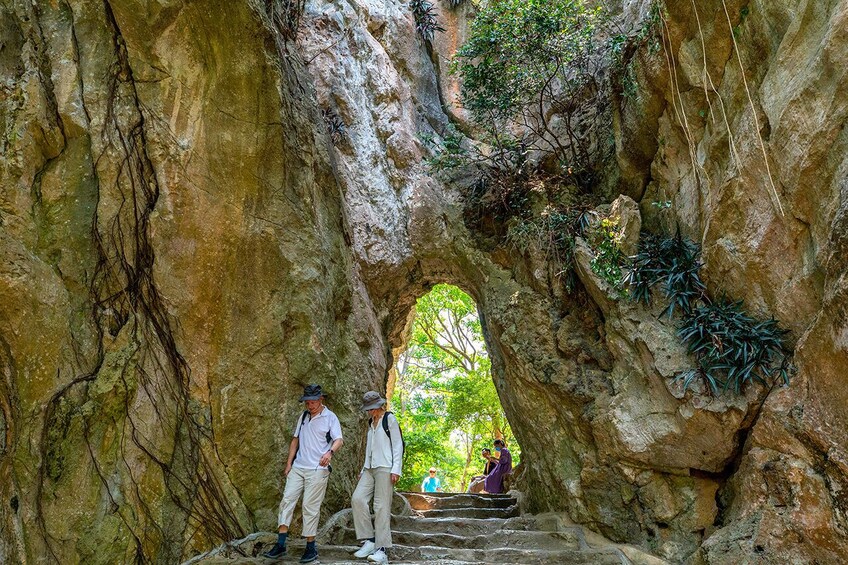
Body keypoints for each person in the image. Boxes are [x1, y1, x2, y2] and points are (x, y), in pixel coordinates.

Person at [263, 384, 343, 563]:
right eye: (307, 402)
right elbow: (295, 440)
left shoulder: (330, 417)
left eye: (314, 401)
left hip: (318, 469)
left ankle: (310, 547)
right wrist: (289, 463)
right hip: (298, 467)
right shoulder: (304, 416)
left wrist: (329, 453)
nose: (310, 405)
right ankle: (281, 544)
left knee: (310, 506)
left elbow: (339, 439)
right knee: (287, 501)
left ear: (321, 400)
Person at [351, 391, 403, 565]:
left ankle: (382, 550)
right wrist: (364, 467)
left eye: (372, 408)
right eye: (368, 408)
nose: (370, 411)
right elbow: (369, 448)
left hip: (386, 467)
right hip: (370, 468)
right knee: (357, 499)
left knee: (381, 506)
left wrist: (396, 469)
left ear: (379, 405)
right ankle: (369, 540)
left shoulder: (390, 419)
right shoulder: (370, 422)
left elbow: (397, 445)